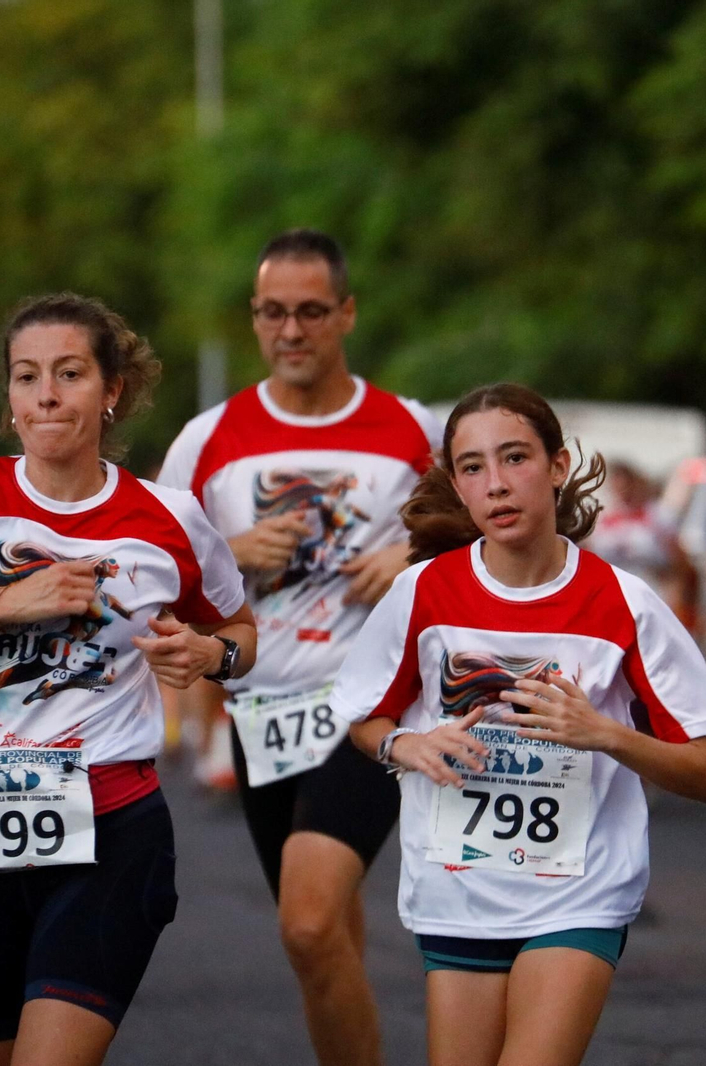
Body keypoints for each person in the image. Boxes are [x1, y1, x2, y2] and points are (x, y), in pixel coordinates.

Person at [0, 293, 257, 1066]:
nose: (47, 395)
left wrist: (211, 657)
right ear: (10, 397)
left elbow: (240, 632)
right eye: (27, 377)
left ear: (112, 390)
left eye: (68, 373)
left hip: (111, 831)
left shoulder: (169, 519)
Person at [337, 383, 706, 1066]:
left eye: (515, 458)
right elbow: (364, 719)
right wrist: (407, 743)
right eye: (473, 467)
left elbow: (705, 773)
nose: (496, 484)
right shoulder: (423, 592)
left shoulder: (624, 603)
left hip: (578, 894)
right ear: (457, 486)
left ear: (557, 466)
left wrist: (606, 733)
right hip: (457, 889)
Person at [157, 228, 441, 1066]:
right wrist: (231, 553)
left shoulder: (408, 428)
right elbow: (150, 565)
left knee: (308, 921)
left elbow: (488, 533)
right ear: (254, 319)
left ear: (346, 314)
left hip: (370, 710)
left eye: (311, 312)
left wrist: (414, 553)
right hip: (266, 711)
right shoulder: (209, 439)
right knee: (324, 942)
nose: (291, 331)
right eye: (273, 313)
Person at [587, 460, 698, 627]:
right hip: (615, 603)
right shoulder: (603, 521)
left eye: (625, 484)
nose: (622, 491)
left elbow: (680, 561)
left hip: (655, 597)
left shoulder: (658, 516)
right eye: (616, 485)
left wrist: (681, 598)